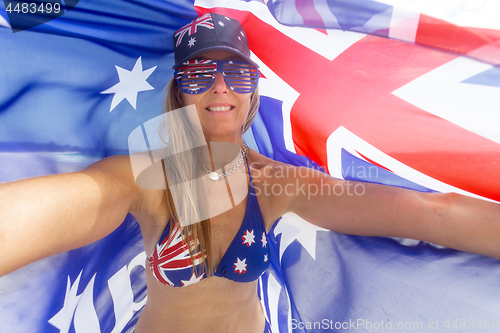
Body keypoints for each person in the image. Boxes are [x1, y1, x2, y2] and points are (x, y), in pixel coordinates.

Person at [0, 13, 499, 333]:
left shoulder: (276, 186)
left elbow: (434, 213)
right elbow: (72, 201)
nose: (220, 88)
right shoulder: (144, 179)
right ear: (180, 91)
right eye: (199, 74)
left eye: (237, 74)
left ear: (253, 92)